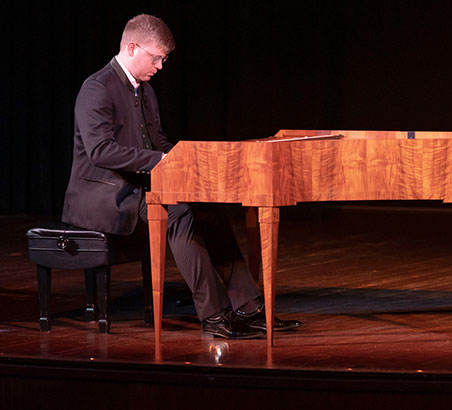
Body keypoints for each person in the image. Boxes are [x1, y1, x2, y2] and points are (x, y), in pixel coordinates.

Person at [62, 14, 300, 339]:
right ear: (132, 47)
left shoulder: (144, 91)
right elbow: (101, 151)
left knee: (208, 206)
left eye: (164, 59)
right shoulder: (97, 88)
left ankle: (250, 308)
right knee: (178, 211)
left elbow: (158, 141)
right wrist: (162, 160)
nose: (160, 66)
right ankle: (215, 316)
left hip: (141, 188)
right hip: (106, 197)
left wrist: (190, 159)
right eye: (156, 57)